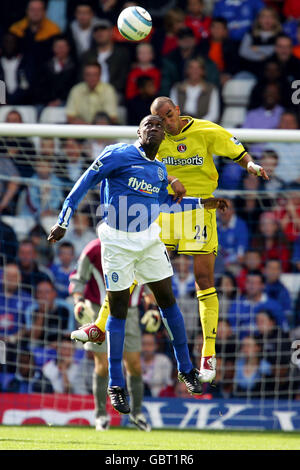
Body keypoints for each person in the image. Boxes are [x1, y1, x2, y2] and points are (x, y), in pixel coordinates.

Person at [47, 114, 227, 413]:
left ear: (163, 136)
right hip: (117, 243)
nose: (155, 128)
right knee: (118, 309)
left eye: (159, 126)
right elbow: (85, 181)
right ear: (139, 131)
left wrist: (203, 203)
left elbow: (164, 204)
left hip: (148, 240)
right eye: (149, 125)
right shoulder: (118, 153)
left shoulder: (159, 170)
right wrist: (63, 219)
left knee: (168, 301)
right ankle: (116, 384)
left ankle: (186, 369)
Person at [149, 96, 269, 384]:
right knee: (151, 271)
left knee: (204, 279)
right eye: (160, 119)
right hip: (166, 210)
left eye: (169, 115)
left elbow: (235, 150)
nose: (166, 123)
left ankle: (208, 353)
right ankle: (110, 320)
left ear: (177, 111)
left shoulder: (203, 130)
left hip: (201, 209)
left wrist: (251, 166)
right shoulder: (154, 138)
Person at [68, 237, 151, 431]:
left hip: (130, 311)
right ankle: (101, 416)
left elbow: (151, 280)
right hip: (98, 311)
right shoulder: (94, 248)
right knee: (102, 364)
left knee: (134, 364)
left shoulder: (143, 244)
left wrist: (152, 307)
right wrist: (78, 302)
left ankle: (137, 414)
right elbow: (78, 278)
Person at [169, 57, 220, 122]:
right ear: (187, 70)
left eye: (198, 68)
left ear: (203, 71)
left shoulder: (211, 89)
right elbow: (173, 111)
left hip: (203, 126)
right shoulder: (177, 88)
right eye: (191, 68)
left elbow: (213, 115)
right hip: (181, 125)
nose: (195, 71)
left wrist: (197, 125)